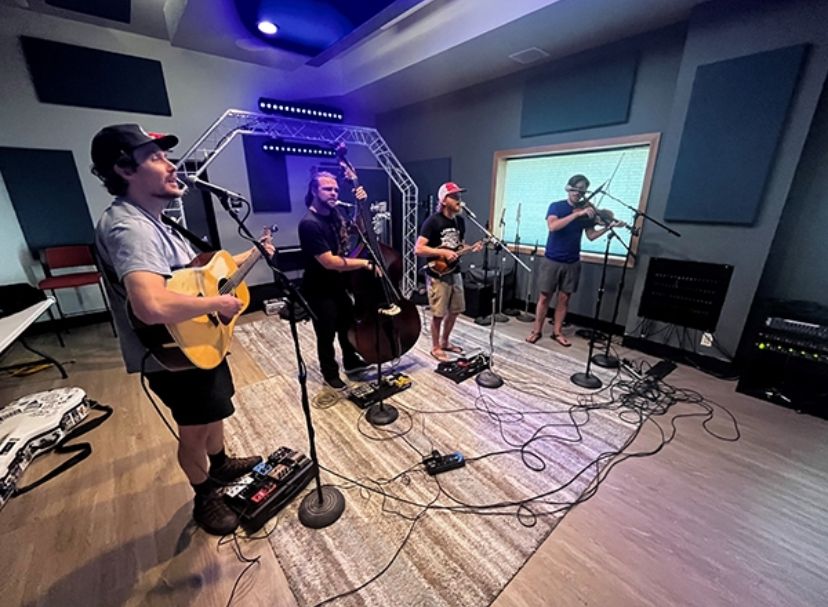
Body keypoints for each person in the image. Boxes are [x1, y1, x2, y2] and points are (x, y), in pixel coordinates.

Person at [92, 124, 274, 536]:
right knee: (193, 430)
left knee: (213, 412)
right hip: (172, 356)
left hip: (195, 345)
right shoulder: (130, 228)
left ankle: (222, 462)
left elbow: (198, 278)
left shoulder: (155, 222)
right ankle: (203, 495)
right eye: (156, 157)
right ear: (124, 169)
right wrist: (217, 304)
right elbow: (151, 304)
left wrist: (252, 255)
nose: (171, 165)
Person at [297, 171, 376, 391]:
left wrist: (361, 203)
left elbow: (358, 228)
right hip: (318, 289)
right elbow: (329, 262)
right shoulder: (309, 224)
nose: (333, 193)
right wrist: (363, 264)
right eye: (327, 189)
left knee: (347, 325)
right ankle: (329, 373)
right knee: (326, 333)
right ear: (314, 191)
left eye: (335, 189)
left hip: (338, 286)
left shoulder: (334, 214)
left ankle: (351, 363)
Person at [526, 173, 616, 347]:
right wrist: (576, 214)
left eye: (582, 190)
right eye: (575, 188)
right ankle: (536, 330)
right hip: (552, 259)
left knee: (564, 299)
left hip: (572, 261)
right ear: (569, 188)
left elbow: (591, 236)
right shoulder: (556, 207)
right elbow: (553, 226)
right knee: (544, 297)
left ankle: (557, 332)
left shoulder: (587, 212)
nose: (578, 193)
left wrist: (608, 227)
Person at [415, 182, 482, 361]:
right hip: (438, 274)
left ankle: (445, 341)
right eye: (455, 196)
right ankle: (436, 347)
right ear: (444, 200)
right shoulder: (433, 221)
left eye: (460, 195)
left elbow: (458, 246)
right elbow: (419, 249)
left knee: (456, 310)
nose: (459, 200)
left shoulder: (460, 221)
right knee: (438, 313)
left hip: (455, 271)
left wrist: (471, 248)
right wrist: (442, 252)